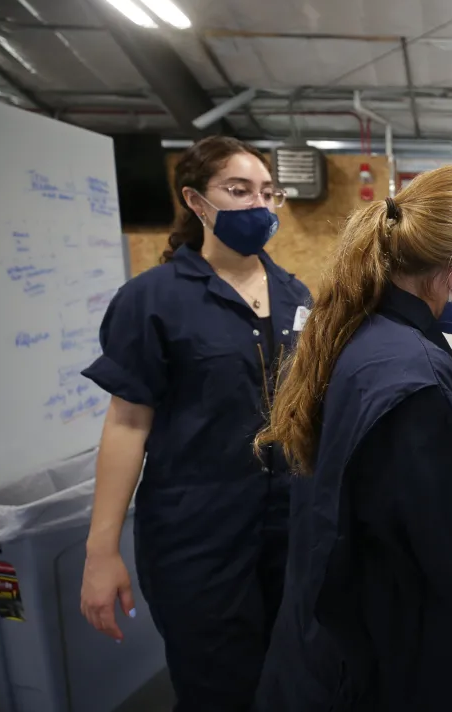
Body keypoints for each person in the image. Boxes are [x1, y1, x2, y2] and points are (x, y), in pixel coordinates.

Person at [253, 164, 452, 711]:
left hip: (316, 635)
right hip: (379, 663)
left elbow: (372, 459)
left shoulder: (355, 327)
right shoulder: (420, 374)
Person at [79, 136, 311, 710]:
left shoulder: (296, 295)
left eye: (267, 193)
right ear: (196, 201)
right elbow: (127, 424)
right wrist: (100, 553)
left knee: (291, 681)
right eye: (238, 190)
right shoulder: (152, 299)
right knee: (218, 691)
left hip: (291, 531)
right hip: (196, 537)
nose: (258, 205)